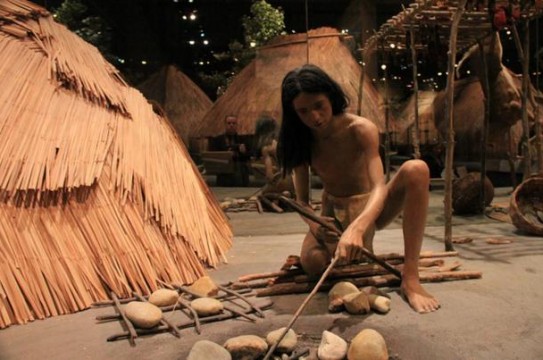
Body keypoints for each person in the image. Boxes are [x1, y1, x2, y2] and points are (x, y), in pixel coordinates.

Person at [277, 64, 440, 313]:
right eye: (303, 111)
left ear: (330, 96)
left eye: (319, 105)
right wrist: (317, 226)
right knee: (313, 263)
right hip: (332, 212)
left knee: (417, 169)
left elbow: (379, 187)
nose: (314, 117)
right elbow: (302, 200)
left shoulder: (361, 129)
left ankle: (411, 278)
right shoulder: (301, 140)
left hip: (371, 208)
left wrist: (358, 227)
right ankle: (342, 253)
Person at [253, 114, 295, 196]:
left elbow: (269, 175)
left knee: (263, 195)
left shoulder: (266, 147)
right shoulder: (282, 141)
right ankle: (287, 192)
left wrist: (270, 183)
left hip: (285, 180)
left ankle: (282, 192)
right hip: (298, 180)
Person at [210, 114, 251, 186]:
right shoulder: (217, 140)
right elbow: (213, 157)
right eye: (229, 123)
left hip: (240, 176)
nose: (231, 125)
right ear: (225, 125)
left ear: (237, 125)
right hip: (224, 176)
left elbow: (249, 158)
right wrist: (226, 155)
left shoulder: (243, 139)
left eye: (234, 123)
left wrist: (244, 152)